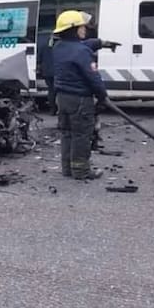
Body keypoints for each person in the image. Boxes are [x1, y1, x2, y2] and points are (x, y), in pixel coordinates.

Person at [52, 10, 108, 181]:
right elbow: (93, 77)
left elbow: (80, 46)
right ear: (73, 29)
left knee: (67, 133)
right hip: (80, 100)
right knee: (82, 134)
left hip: (62, 98)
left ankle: (67, 168)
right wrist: (102, 97)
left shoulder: (58, 47)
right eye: (81, 26)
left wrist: (100, 42)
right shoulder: (82, 52)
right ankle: (81, 171)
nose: (84, 29)